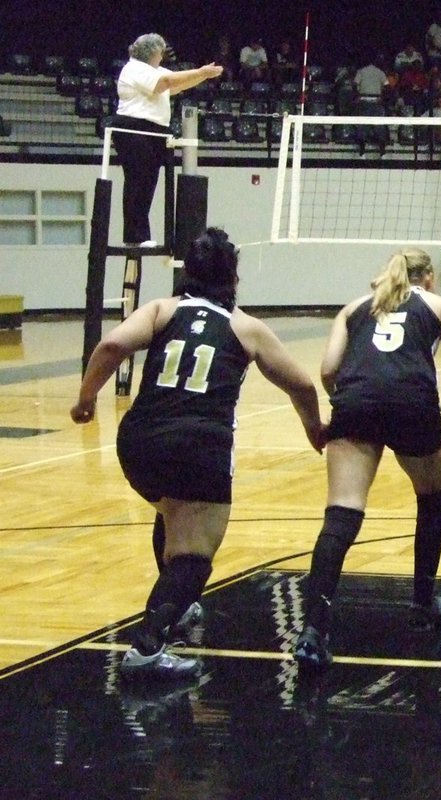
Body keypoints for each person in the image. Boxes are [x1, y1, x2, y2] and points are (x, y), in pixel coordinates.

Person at [71, 228, 324, 680]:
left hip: (138, 443)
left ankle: (179, 608)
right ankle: (148, 647)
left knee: (171, 510)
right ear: (234, 279)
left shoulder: (162, 310)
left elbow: (111, 346)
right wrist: (314, 429)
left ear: (187, 273)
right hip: (199, 446)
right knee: (194, 555)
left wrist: (86, 397)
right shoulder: (245, 327)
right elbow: (302, 384)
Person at [293, 249, 441, 670]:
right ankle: (422, 602)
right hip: (414, 404)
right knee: (434, 495)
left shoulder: (355, 308)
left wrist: (350, 406)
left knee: (341, 515)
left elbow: (327, 369)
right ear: (428, 277)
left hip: (355, 401)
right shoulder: (439, 305)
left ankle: (313, 630)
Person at [113, 34, 223, 247]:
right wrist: (201, 71)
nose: (163, 56)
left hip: (152, 130)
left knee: (147, 182)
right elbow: (165, 83)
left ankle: (139, 235)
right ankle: (135, 236)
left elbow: (176, 85)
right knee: (138, 180)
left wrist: (204, 76)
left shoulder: (155, 71)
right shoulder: (135, 68)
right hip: (134, 128)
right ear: (153, 52)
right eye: (161, 51)